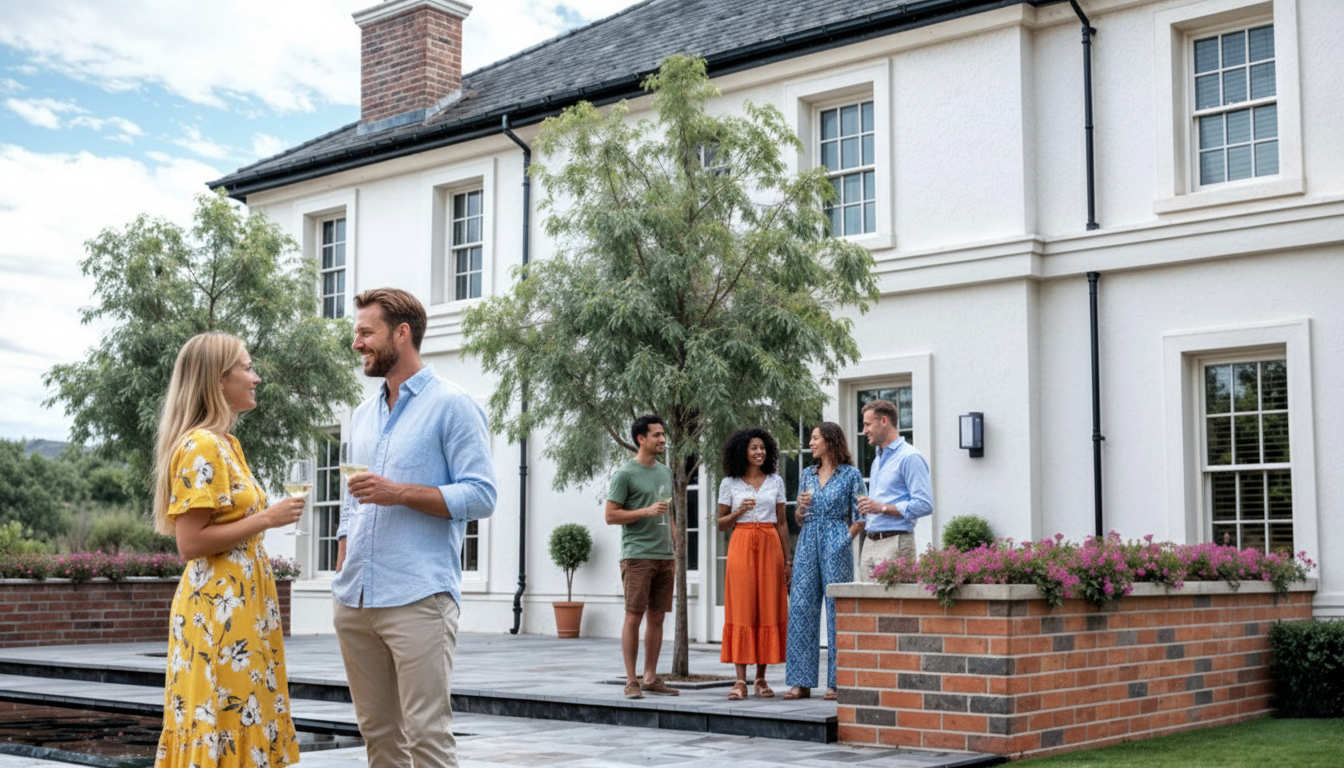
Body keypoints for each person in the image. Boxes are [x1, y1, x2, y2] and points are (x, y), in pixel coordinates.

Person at [333, 288, 497, 768]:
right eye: (356, 332)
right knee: (379, 736)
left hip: (418, 598)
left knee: (427, 736)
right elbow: (351, 500)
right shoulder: (362, 416)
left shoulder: (454, 405)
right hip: (355, 601)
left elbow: (482, 495)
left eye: (366, 332)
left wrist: (400, 492)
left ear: (401, 334)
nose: (357, 343)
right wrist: (343, 562)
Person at [151, 331, 303, 768]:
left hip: (243, 603)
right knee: (224, 711)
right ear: (219, 380)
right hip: (218, 611)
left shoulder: (227, 444)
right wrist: (268, 519)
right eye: (247, 367)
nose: (255, 378)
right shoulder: (201, 446)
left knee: (244, 707)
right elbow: (190, 542)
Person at [784, 422, 866, 700]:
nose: (811, 442)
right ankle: (800, 681)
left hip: (836, 541)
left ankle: (836, 681)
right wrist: (802, 508)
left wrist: (844, 540)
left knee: (836, 610)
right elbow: (797, 517)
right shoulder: (807, 474)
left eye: (815, 438)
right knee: (801, 607)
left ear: (830, 441)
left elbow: (860, 517)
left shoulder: (851, 475)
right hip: (807, 541)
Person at [604, 415, 681, 699]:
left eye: (663, 434)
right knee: (634, 616)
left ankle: (650, 677)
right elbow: (611, 516)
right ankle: (631, 680)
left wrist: (674, 542)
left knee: (658, 617)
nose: (662, 440)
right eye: (657, 435)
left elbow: (669, 511)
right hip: (637, 555)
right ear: (641, 439)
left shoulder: (664, 472)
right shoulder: (625, 474)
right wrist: (645, 512)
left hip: (664, 556)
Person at [716, 427, 790, 701]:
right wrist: (739, 511)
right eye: (753, 448)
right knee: (743, 608)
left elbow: (782, 522)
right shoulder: (730, 483)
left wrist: (787, 560)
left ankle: (761, 678)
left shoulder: (775, 481)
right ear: (742, 452)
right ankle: (739, 680)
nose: (759, 452)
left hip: (771, 543)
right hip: (742, 544)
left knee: (767, 607)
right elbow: (720, 523)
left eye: (763, 448)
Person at [857, 399, 933, 580]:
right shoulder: (877, 460)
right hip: (869, 542)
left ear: (884, 421)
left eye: (868, 424)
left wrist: (882, 507)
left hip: (896, 543)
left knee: (894, 607)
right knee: (867, 607)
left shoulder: (910, 457)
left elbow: (924, 504)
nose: (864, 431)